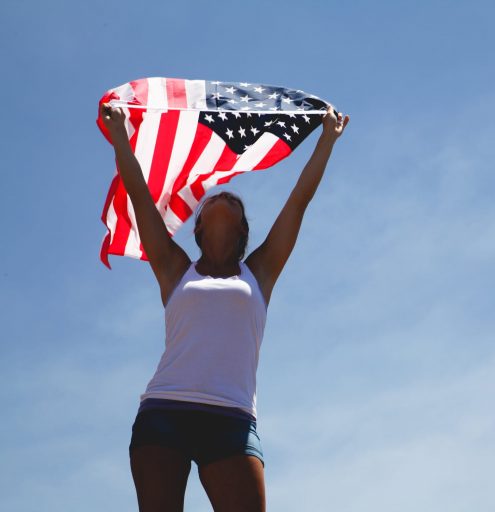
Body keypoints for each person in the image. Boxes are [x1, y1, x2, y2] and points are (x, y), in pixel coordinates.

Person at [99, 101, 350, 512]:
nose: (225, 196)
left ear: (242, 228)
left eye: (235, 201)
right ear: (197, 227)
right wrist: (121, 139)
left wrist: (327, 140)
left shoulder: (260, 272)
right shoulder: (175, 269)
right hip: (165, 410)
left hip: (231, 418)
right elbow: (142, 201)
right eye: (215, 199)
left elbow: (298, 202)